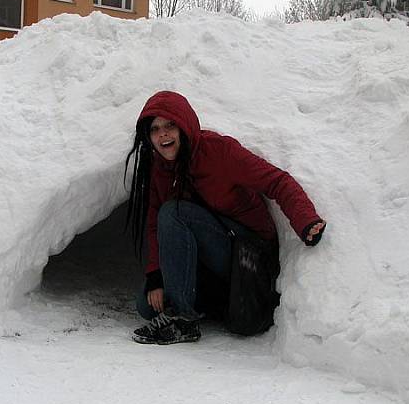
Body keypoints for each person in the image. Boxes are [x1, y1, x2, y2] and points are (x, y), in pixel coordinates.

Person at [124, 91, 325, 345]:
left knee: (174, 212)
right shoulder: (159, 168)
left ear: (185, 125)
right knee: (146, 304)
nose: (163, 134)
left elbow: (276, 181)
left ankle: (183, 319)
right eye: (155, 129)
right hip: (210, 256)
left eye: (170, 125)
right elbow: (155, 224)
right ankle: (206, 302)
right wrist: (155, 276)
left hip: (247, 253)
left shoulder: (219, 152)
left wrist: (305, 220)